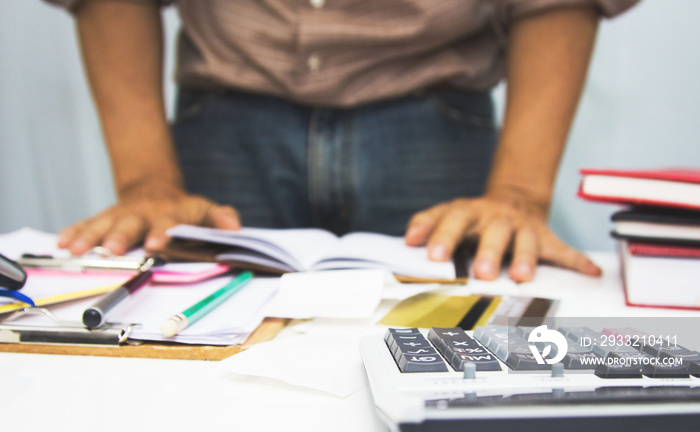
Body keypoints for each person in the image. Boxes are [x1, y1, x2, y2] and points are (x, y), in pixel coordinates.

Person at [46, 0, 638, 282]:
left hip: (436, 119)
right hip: (224, 115)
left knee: (449, 354)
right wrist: (146, 181)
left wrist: (519, 191)